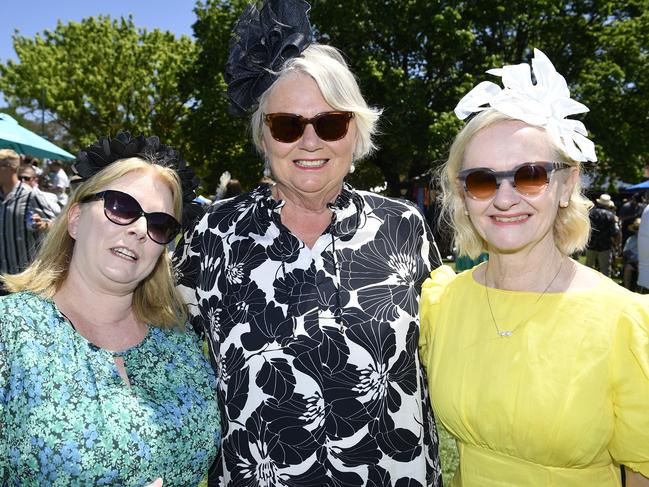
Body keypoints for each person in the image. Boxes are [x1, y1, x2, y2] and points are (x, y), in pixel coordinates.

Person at [173, 1, 443, 485]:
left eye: (330, 123)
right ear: (264, 135)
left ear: (354, 130)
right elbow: (162, 355)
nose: (310, 141)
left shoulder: (404, 227)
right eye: (288, 125)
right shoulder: (211, 236)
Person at [419, 49, 649, 486]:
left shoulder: (626, 322)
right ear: (463, 196)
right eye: (483, 180)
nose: (505, 198)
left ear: (566, 184)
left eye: (529, 175)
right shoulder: (443, 301)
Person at [0, 132, 220, 485]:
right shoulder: (10, 333)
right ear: (75, 218)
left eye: (159, 224)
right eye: (121, 206)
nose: (138, 230)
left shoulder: (180, 346)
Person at [0, 149, 58, 292]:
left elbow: (57, 224)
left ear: (12, 168)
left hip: (23, 279)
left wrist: (43, 224)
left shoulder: (30, 196)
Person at [585, 193, 618, 276]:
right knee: (605, 270)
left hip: (591, 244)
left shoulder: (591, 213)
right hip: (605, 246)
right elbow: (614, 232)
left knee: (588, 268)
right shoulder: (610, 215)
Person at [622, 217, 641, 291]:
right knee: (628, 269)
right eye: (636, 229)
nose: (638, 231)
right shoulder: (631, 238)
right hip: (632, 261)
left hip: (642, 263)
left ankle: (639, 290)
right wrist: (633, 258)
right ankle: (627, 289)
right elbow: (626, 251)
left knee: (640, 270)